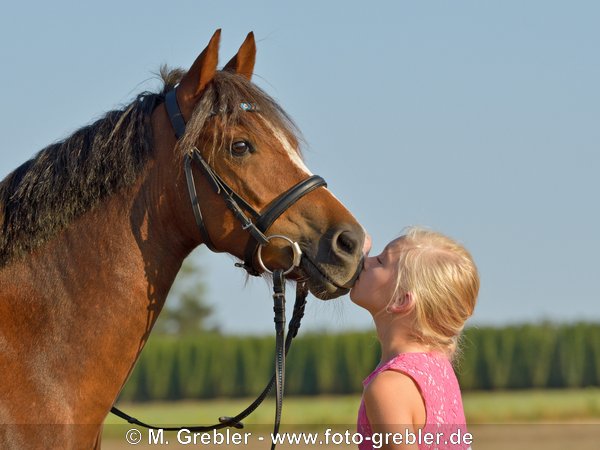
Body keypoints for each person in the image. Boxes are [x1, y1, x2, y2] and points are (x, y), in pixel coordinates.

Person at [351, 227, 479, 450]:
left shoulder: (388, 387)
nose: (367, 262)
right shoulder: (438, 368)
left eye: (380, 261)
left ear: (401, 300)